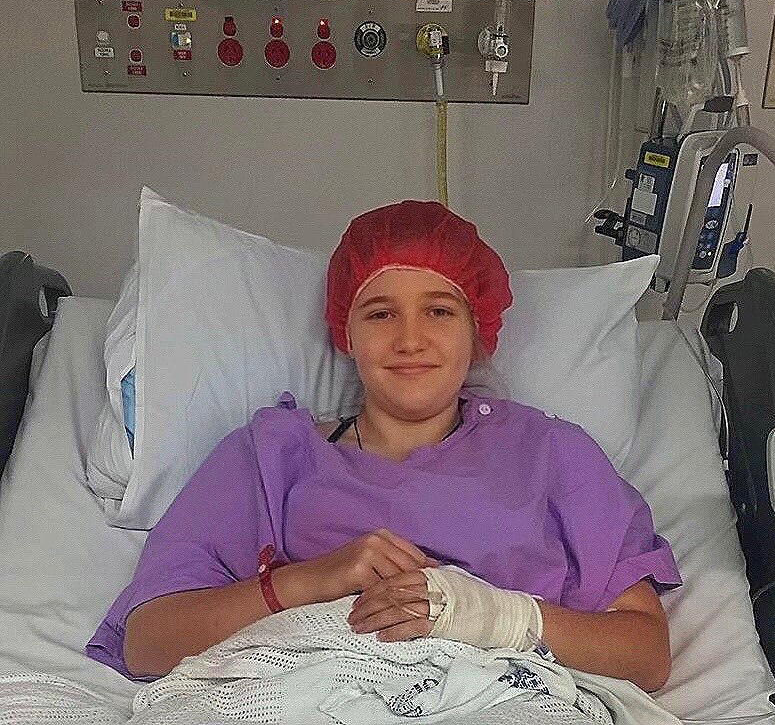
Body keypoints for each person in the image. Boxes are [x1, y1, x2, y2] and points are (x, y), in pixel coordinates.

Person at [86, 201, 682, 693]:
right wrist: (312, 581)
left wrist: (491, 615)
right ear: (345, 333)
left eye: (439, 311)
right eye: (380, 314)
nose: (410, 339)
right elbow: (148, 641)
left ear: (478, 331)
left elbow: (645, 655)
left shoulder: (552, 455)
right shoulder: (270, 457)